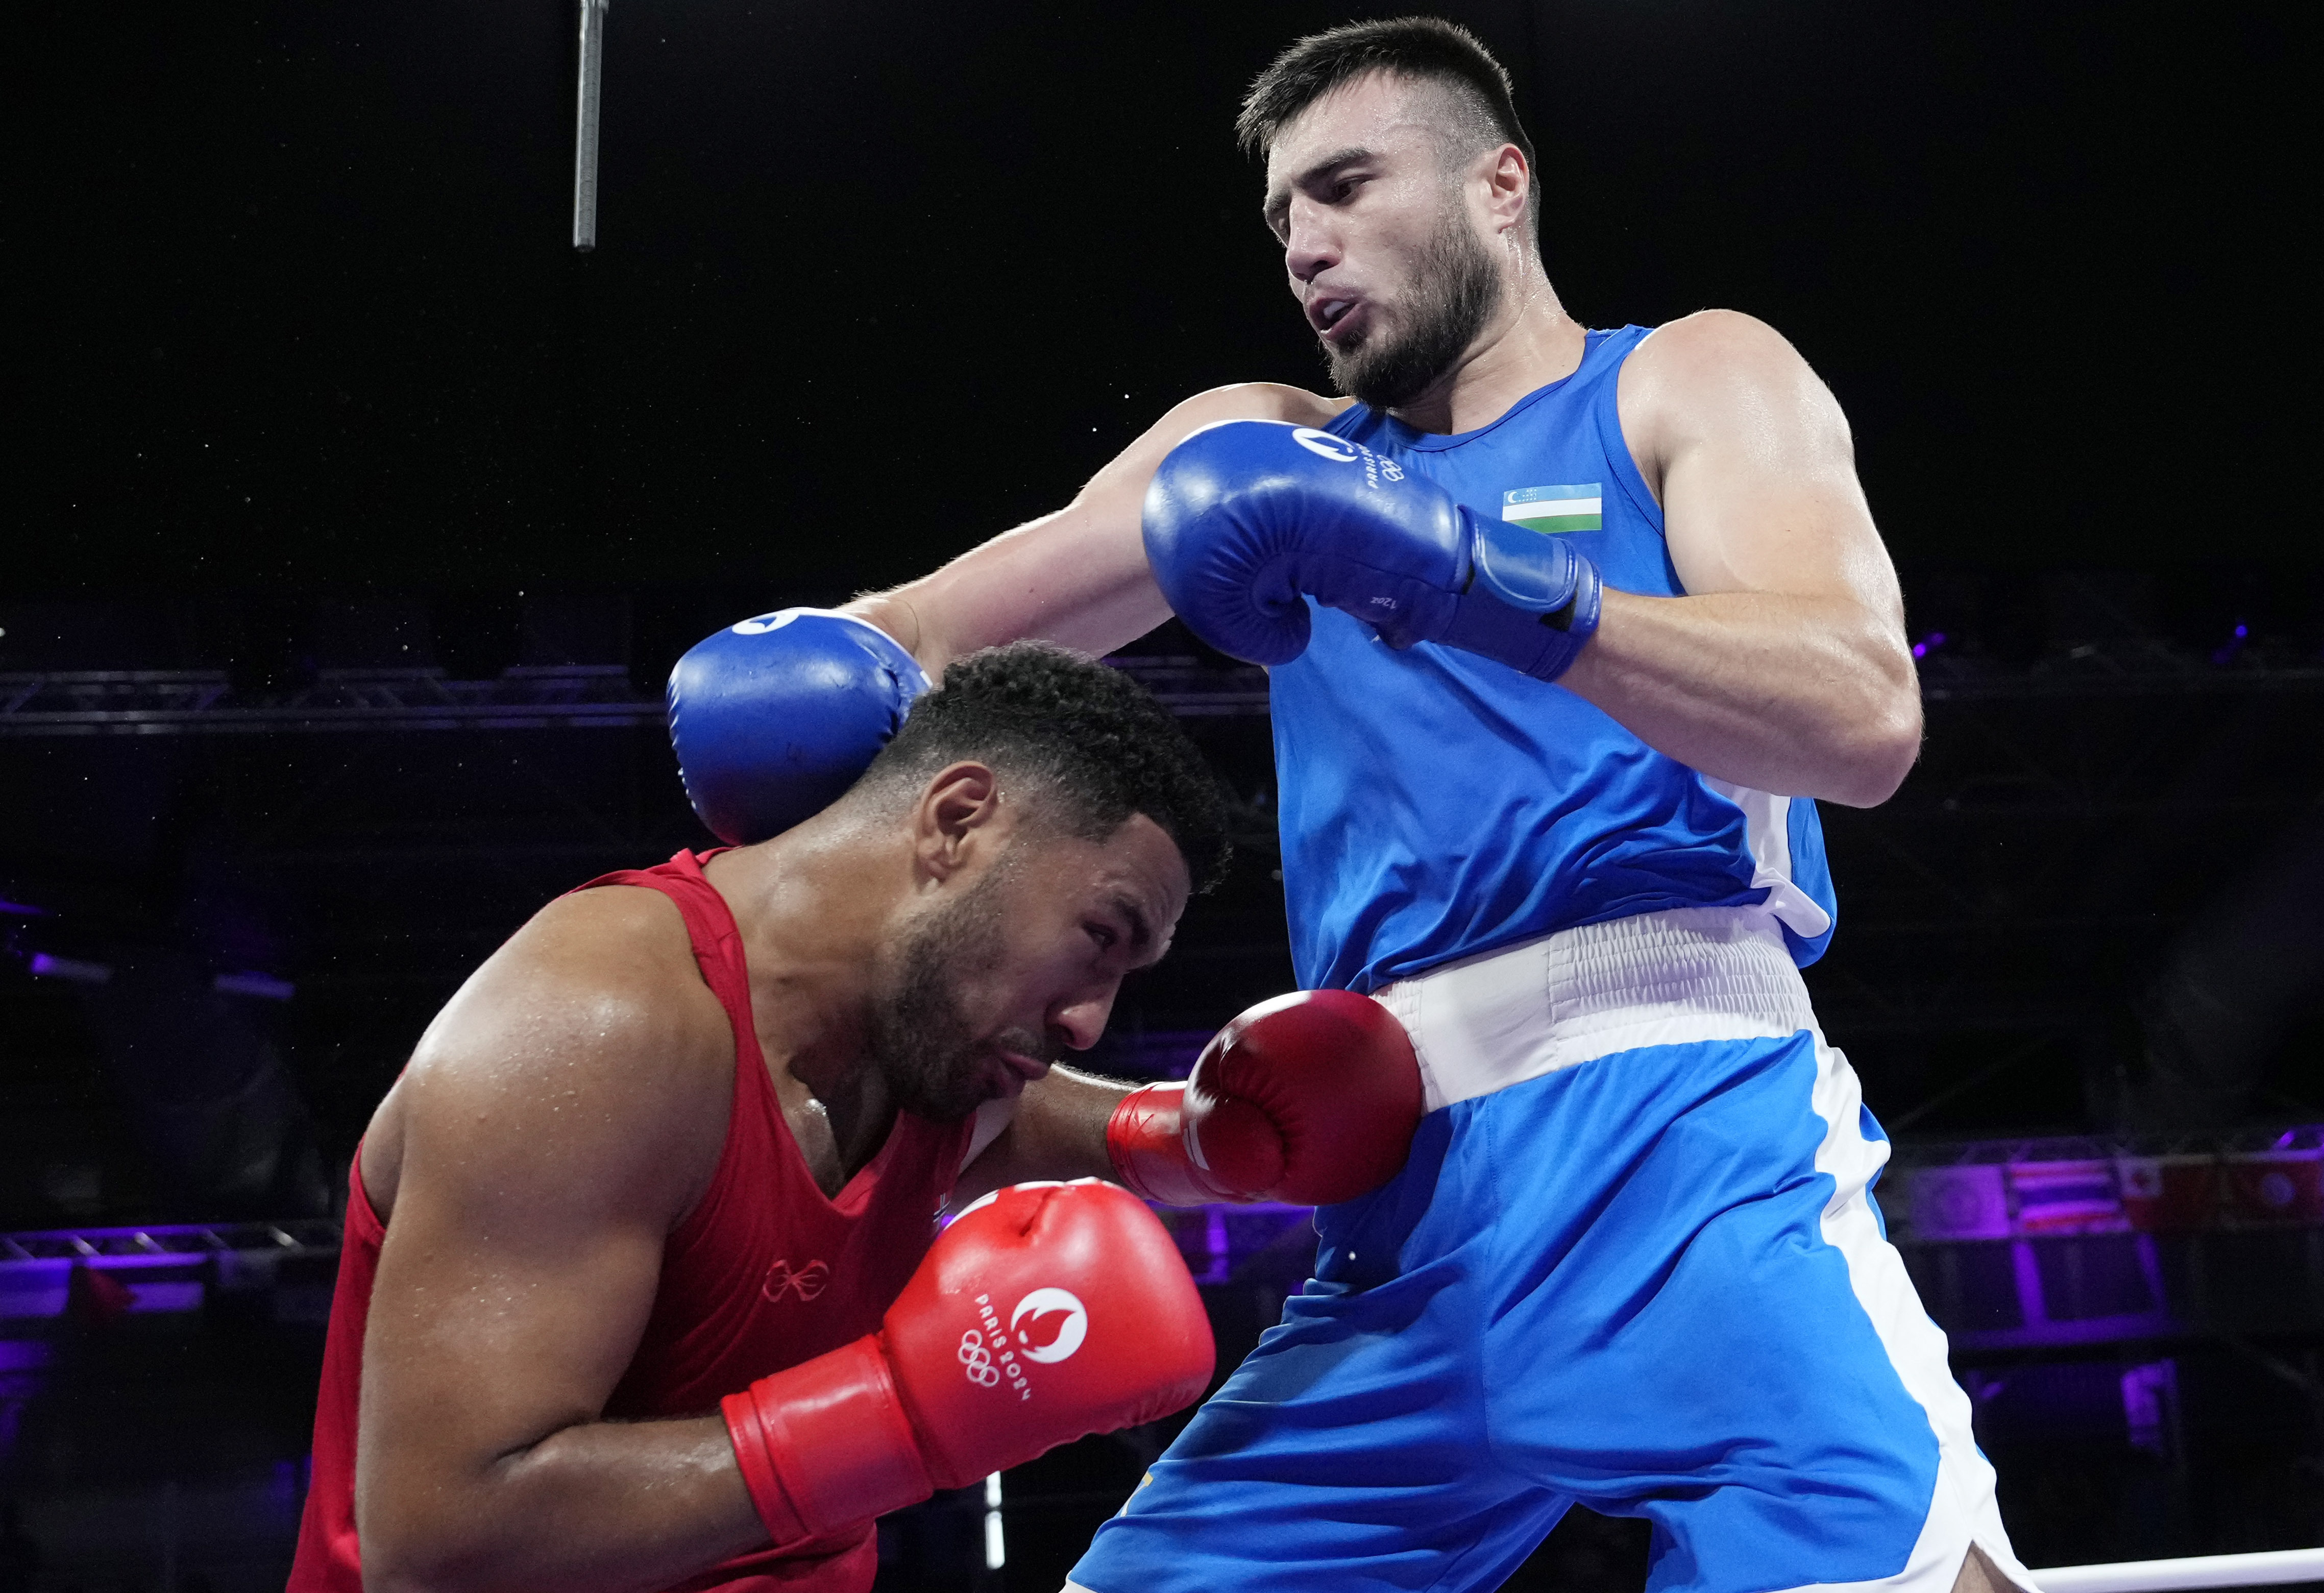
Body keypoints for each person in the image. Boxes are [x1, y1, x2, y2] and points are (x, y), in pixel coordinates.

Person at [674, 16, 2042, 1593]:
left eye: (1344, 188)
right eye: (1280, 222)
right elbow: (929, 630)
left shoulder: (1684, 378)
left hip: (1680, 1140)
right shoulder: (1267, 455)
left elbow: (1864, 714)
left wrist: (1474, 578)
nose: (1305, 248)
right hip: (1391, 1203)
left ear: (1498, 188)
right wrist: (814, 673)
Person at [285, 641, 1425, 1593]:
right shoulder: (598, 1033)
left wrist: (1175, 1141)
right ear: (958, 820)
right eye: (1101, 934)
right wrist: (900, 1417)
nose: (1091, 1021)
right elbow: (437, 1539)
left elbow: (1011, 1123)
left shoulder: (931, 1050)